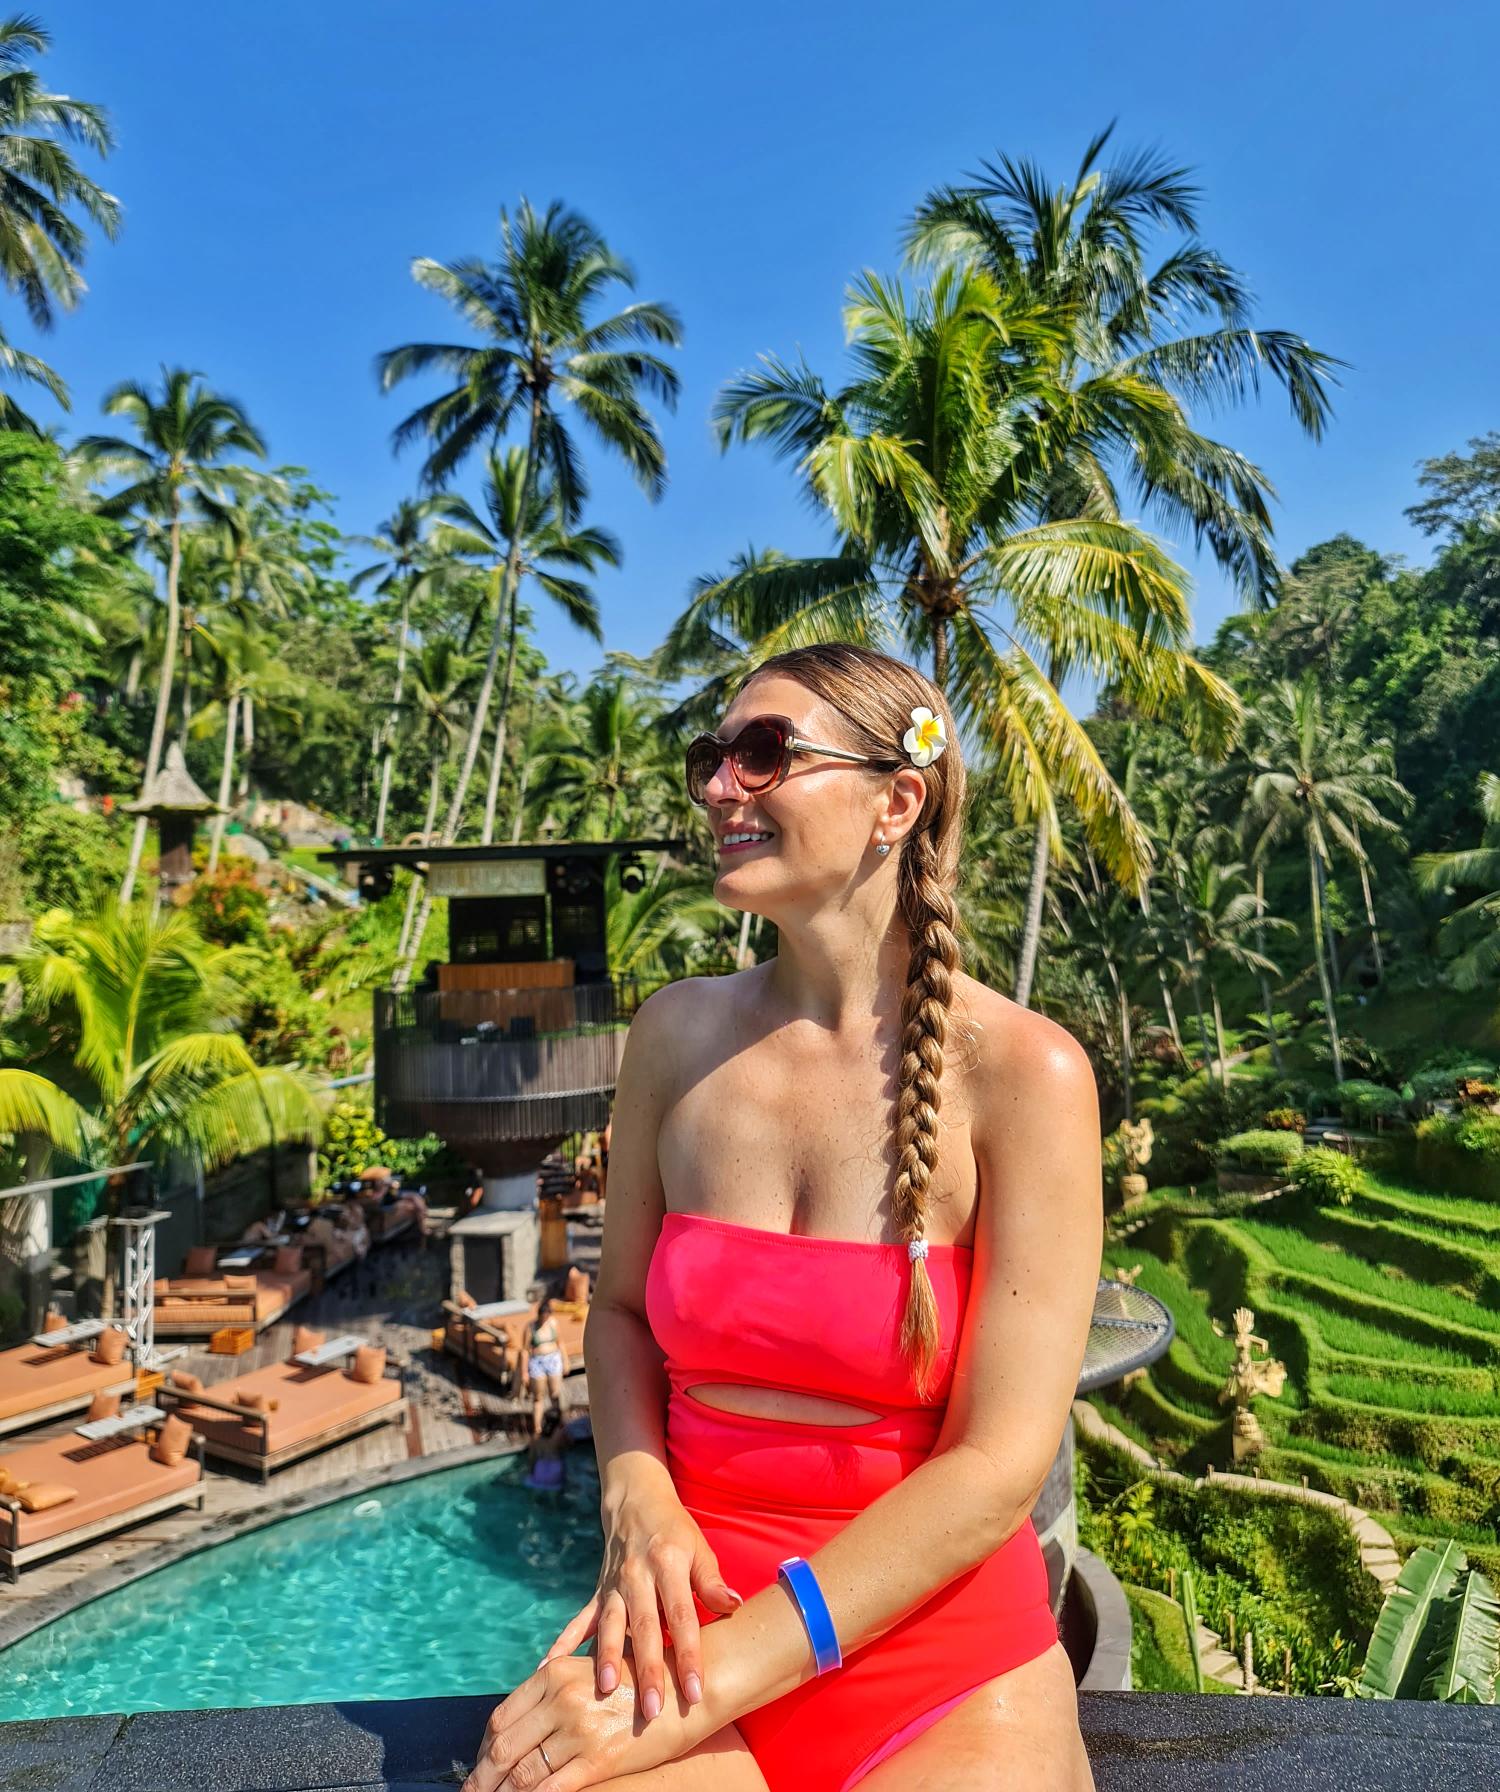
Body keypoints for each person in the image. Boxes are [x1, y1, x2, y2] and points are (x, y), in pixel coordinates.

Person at [466, 644, 1102, 1792]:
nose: (719, 787)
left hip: (935, 1661)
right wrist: (636, 1490)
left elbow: (1001, 1462)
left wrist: (721, 1673)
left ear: (896, 799)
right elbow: (614, 1316)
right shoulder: (674, 1036)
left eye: (765, 754)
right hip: (680, 1634)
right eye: (714, 757)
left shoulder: (1025, 1075)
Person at [524, 1291, 566, 1438]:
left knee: (555, 1393)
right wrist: (524, 1372)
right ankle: (537, 1428)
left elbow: (560, 1342)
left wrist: (565, 1360)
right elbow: (525, 1350)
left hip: (553, 1359)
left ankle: (558, 1423)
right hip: (538, 1361)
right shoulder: (531, 1327)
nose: (544, 1319)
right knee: (538, 1396)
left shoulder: (553, 1323)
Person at [523, 1403, 569, 1491]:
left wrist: (531, 1471)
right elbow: (568, 1446)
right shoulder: (560, 1434)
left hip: (539, 1468)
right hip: (555, 1468)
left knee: (536, 1497)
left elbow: (532, 1457)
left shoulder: (536, 1437)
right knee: (554, 1500)